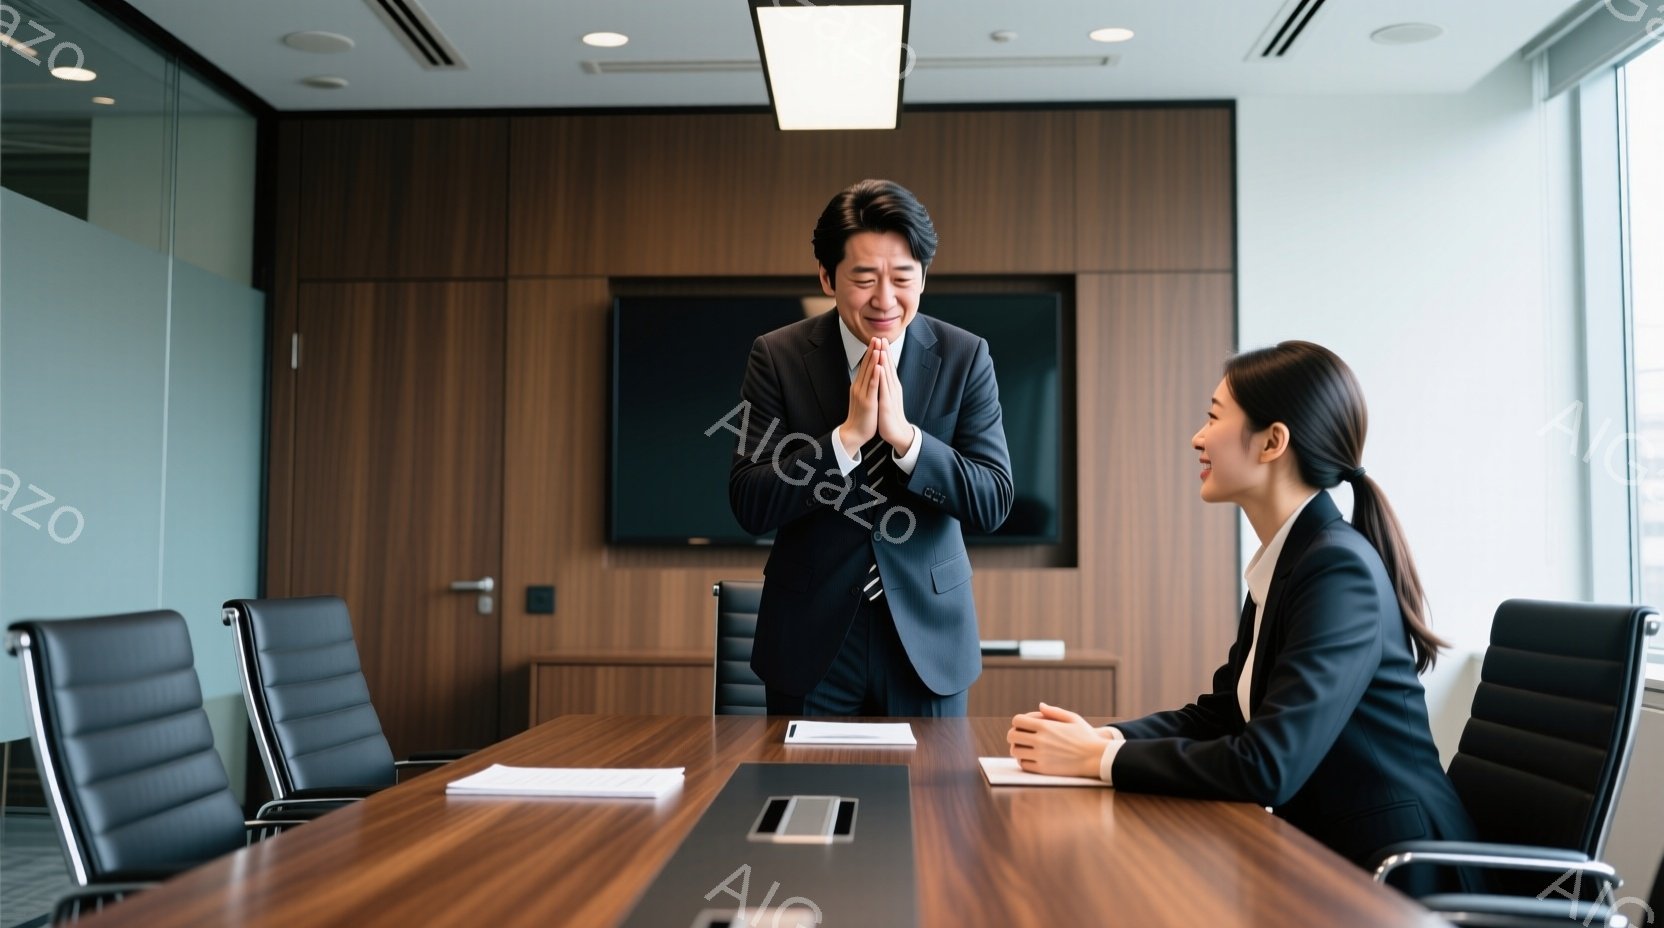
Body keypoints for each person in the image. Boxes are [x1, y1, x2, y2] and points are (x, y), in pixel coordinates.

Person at [1007, 340, 1476, 885]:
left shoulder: (1336, 571)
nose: (1197, 438)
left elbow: (1267, 766)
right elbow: (1224, 715)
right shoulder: (1294, 558)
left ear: (1273, 441)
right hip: (1330, 859)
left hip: (1396, 876)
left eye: (1212, 418)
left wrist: (1096, 761)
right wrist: (1103, 737)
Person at [728, 179, 1013, 717]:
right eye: (863, 278)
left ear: (924, 277)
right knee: (802, 799)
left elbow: (994, 499)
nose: (885, 299)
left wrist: (906, 439)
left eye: (902, 277)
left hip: (928, 641)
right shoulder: (777, 356)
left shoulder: (965, 357)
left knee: (931, 803)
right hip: (809, 643)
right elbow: (750, 501)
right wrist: (845, 439)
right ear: (826, 276)